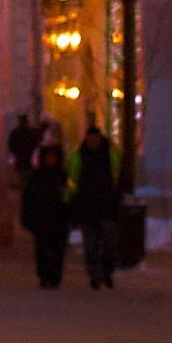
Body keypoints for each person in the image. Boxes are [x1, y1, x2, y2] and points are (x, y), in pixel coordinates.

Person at [67, 123, 122, 292]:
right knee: (90, 244)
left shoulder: (111, 154)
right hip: (88, 207)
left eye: (95, 139)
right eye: (91, 139)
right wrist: (71, 201)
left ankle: (106, 271)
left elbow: (119, 176)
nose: (93, 142)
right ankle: (94, 275)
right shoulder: (78, 156)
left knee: (108, 243)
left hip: (106, 205)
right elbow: (72, 180)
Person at [19, 129, 72, 291]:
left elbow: (69, 197)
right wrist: (27, 217)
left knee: (58, 249)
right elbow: (27, 199)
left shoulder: (62, 177)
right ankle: (44, 275)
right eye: (48, 156)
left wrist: (70, 215)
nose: (50, 159)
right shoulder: (35, 177)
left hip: (58, 219)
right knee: (42, 248)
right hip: (40, 219)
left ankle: (55, 276)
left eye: (53, 156)